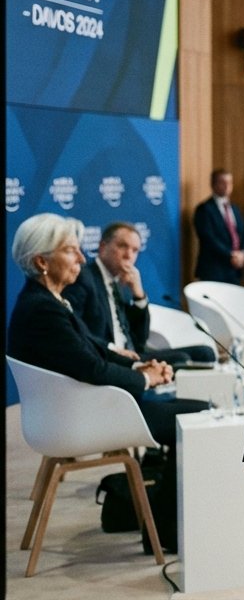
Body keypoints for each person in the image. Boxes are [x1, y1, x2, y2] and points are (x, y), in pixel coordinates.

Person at [8, 213, 209, 551]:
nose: (80, 257)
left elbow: (96, 348)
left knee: (197, 410)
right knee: (197, 416)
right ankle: (168, 533)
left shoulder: (48, 300)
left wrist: (140, 365)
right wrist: (144, 378)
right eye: (70, 250)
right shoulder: (42, 309)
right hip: (79, 418)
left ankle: (167, 526)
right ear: (42, 261)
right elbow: (93, 368)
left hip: (89, 406)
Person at [68, 221, 216, 367]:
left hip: (132, 354)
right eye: (122, 246)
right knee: (181, 359)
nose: (129, 255)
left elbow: (140, 339)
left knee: (206, 353)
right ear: (102, 246)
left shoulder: (121, 282)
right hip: (107, 356)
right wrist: (112, 349)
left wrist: (138, 295)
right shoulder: (84, 277)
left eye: (135, 250)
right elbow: (75, 330)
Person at [193, 168, 244, 283]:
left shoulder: (235, 208)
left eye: (230, 182)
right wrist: (230, 254)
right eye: (223, 182)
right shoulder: (204, 209)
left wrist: (243, 253)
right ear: (213, 184)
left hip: (234, 270)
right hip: (214, 269)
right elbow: (208, 238)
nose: (227, 186)